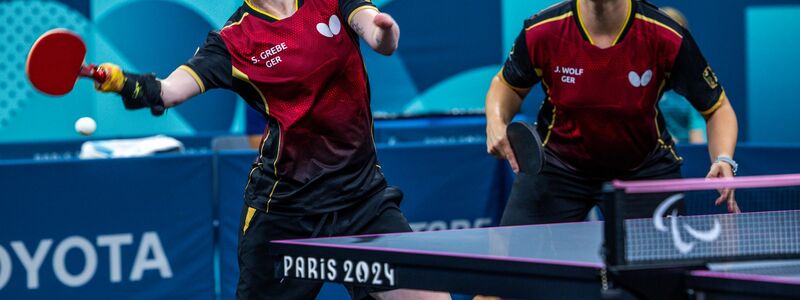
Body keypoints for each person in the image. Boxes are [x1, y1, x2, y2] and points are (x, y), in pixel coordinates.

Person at [95, 0, 451, 299]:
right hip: (286, 210)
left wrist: (384, 32)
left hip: (360, 200)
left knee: (431, 294)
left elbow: (376, 33)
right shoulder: (234, 40)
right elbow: (169, 91)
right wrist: (124, 83)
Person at [485, 0, 740, 226]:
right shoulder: (542, 31)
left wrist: (724, 159)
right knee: (518, 271)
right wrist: (496, 121)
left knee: (665, 275)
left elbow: (718, 107)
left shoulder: (666, 36)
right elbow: (507, 85)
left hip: (643, 169)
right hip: (556, 168)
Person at [659, 7, 706, 144]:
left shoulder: (694, 75)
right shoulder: (643, 76)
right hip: (655, 153)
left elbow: (697, 124)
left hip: (688, 151)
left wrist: (696, 154)